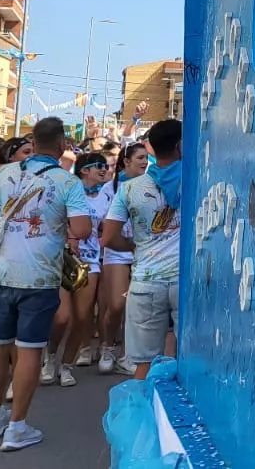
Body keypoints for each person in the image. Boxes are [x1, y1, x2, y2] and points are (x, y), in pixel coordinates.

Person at [0, 117, 92, 452]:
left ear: (33, 143)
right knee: (29, 350)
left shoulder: (5, 173)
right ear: (64, 145)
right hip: (39, 276)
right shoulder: (67, 182)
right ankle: (17, 427)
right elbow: (81, 230)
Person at [102, 123, 184, 379]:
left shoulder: (129, 188)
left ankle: (142, 413)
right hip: (186, 282)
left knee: (143, 365)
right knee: (188, 360)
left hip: (146, 281)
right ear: (181, 145)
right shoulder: (196, 181)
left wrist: (134, 246)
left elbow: (108, 237)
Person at [58, 151, 114, 387]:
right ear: (84, 170)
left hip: (91, 261)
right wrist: (70, 235)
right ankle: (50, 358)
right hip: (63, 259)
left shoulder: (106, 195)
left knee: (82, 317)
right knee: (61, 318)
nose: (104, 169)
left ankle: (66, 364)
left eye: (105, 165)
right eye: (97, 166)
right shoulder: (69, 190)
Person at [97, 141, 148, 376]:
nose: (145, 162)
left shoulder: (150, 185)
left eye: (146, 158)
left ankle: (128, 355)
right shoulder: (110, 188)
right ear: (126, 162)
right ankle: (108, 347)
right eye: (140, 158)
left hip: (142, 251)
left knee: (135, 306)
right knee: (117, 304)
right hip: (116, 250)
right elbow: (101, 219)